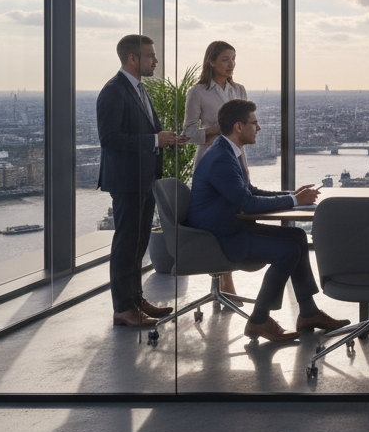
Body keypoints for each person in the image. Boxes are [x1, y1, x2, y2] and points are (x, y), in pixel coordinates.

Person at [186, 99, 350, 342]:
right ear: (238, 127)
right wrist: (294, 201)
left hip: (230, 228)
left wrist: (292, 195)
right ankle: (258, 320)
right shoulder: (221, 158)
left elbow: (250, 191)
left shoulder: (228, 150)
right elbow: (248, 203)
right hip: (218, 238)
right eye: (254, 123)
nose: (259, 127)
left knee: (297, 236)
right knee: (287, 252)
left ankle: (309, 313)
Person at [97, 34, 186, 328]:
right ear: (132, 58)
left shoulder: (138, 89)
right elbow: (109, 139)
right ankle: (123, 309)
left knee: (138, 243)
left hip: (144, 178)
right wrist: (153, 140)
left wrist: (164, 140)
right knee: (126, 245)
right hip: (126, 181)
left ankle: (136, 300)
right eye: (150, 56)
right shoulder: (113, 91)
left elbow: (146, 131)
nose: (156, 61)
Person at [181, 40, 249, 300]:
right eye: (225, 59)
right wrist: (217, 129)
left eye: (233, 59)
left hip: (237, 158)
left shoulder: (239, 90)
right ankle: (226, 282)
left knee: (235, 215)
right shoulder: (197, 93)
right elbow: (188, 133)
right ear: (211, 62)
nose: (231, 64)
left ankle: (227, 280)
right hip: (210, 161)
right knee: (218, 218)